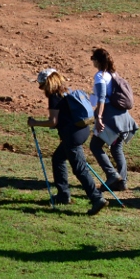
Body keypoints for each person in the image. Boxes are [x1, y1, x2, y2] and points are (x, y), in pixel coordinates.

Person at [27, 68, 108, 216]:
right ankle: (63, 195)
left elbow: (53, 122)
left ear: (47, 83)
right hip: (82, 130)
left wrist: (34, 123)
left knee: (80, 169)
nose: (41, 89)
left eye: (41, 85)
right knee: (58, 158)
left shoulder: (54, 96)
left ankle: (97, 198)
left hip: (72, 136)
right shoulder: (67, 91)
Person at [90, 48, 139, 192]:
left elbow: (102, 98)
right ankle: (122, 182)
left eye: (92, 58)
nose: (91, 60)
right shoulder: (113, 74)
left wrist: (99, 117)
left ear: (98, 61)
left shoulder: (100, 76)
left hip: (111, 119)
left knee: (95, 146)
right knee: (117, 148)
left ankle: (112, 175)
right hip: (124, 118)